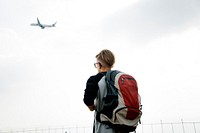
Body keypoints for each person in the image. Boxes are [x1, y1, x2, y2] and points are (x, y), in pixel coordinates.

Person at [84, 49, 126, 133]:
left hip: (104, 128)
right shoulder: (121, 79)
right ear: (112, 64)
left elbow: (88, 100)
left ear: (99, 65)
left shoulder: (94, 80)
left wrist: (92, 107)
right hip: (123, 126)